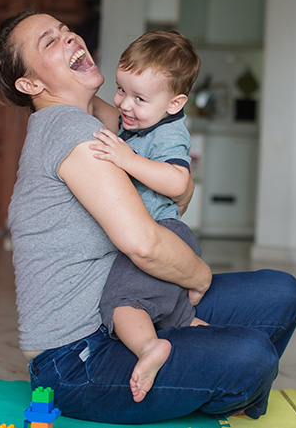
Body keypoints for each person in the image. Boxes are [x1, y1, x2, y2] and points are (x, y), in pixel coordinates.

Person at [0, 10, 296, 424]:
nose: (69, 38)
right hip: (78, 358)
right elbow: (145, 245)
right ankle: (211, 382)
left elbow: (169, 168)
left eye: (65, 30)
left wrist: (183, 183)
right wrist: (199, 277)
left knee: (280, 292)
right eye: (50, 41)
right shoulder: (67, 129)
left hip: (137, 305)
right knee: (252, 354)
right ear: (30, 84)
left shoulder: (89, 118)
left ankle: (198, 376)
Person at [90, 30, 207, 403]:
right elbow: (98, 108)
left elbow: (178, 180)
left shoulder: (170, 134)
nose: (125, 104)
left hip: (164, 233)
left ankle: (148, 349)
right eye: (122, 89)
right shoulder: (141, 120)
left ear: (175, 104)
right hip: (157, 232)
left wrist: (128, 160)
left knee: (122, 303)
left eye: (139, 98)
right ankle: (198, 333)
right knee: (164, 306)